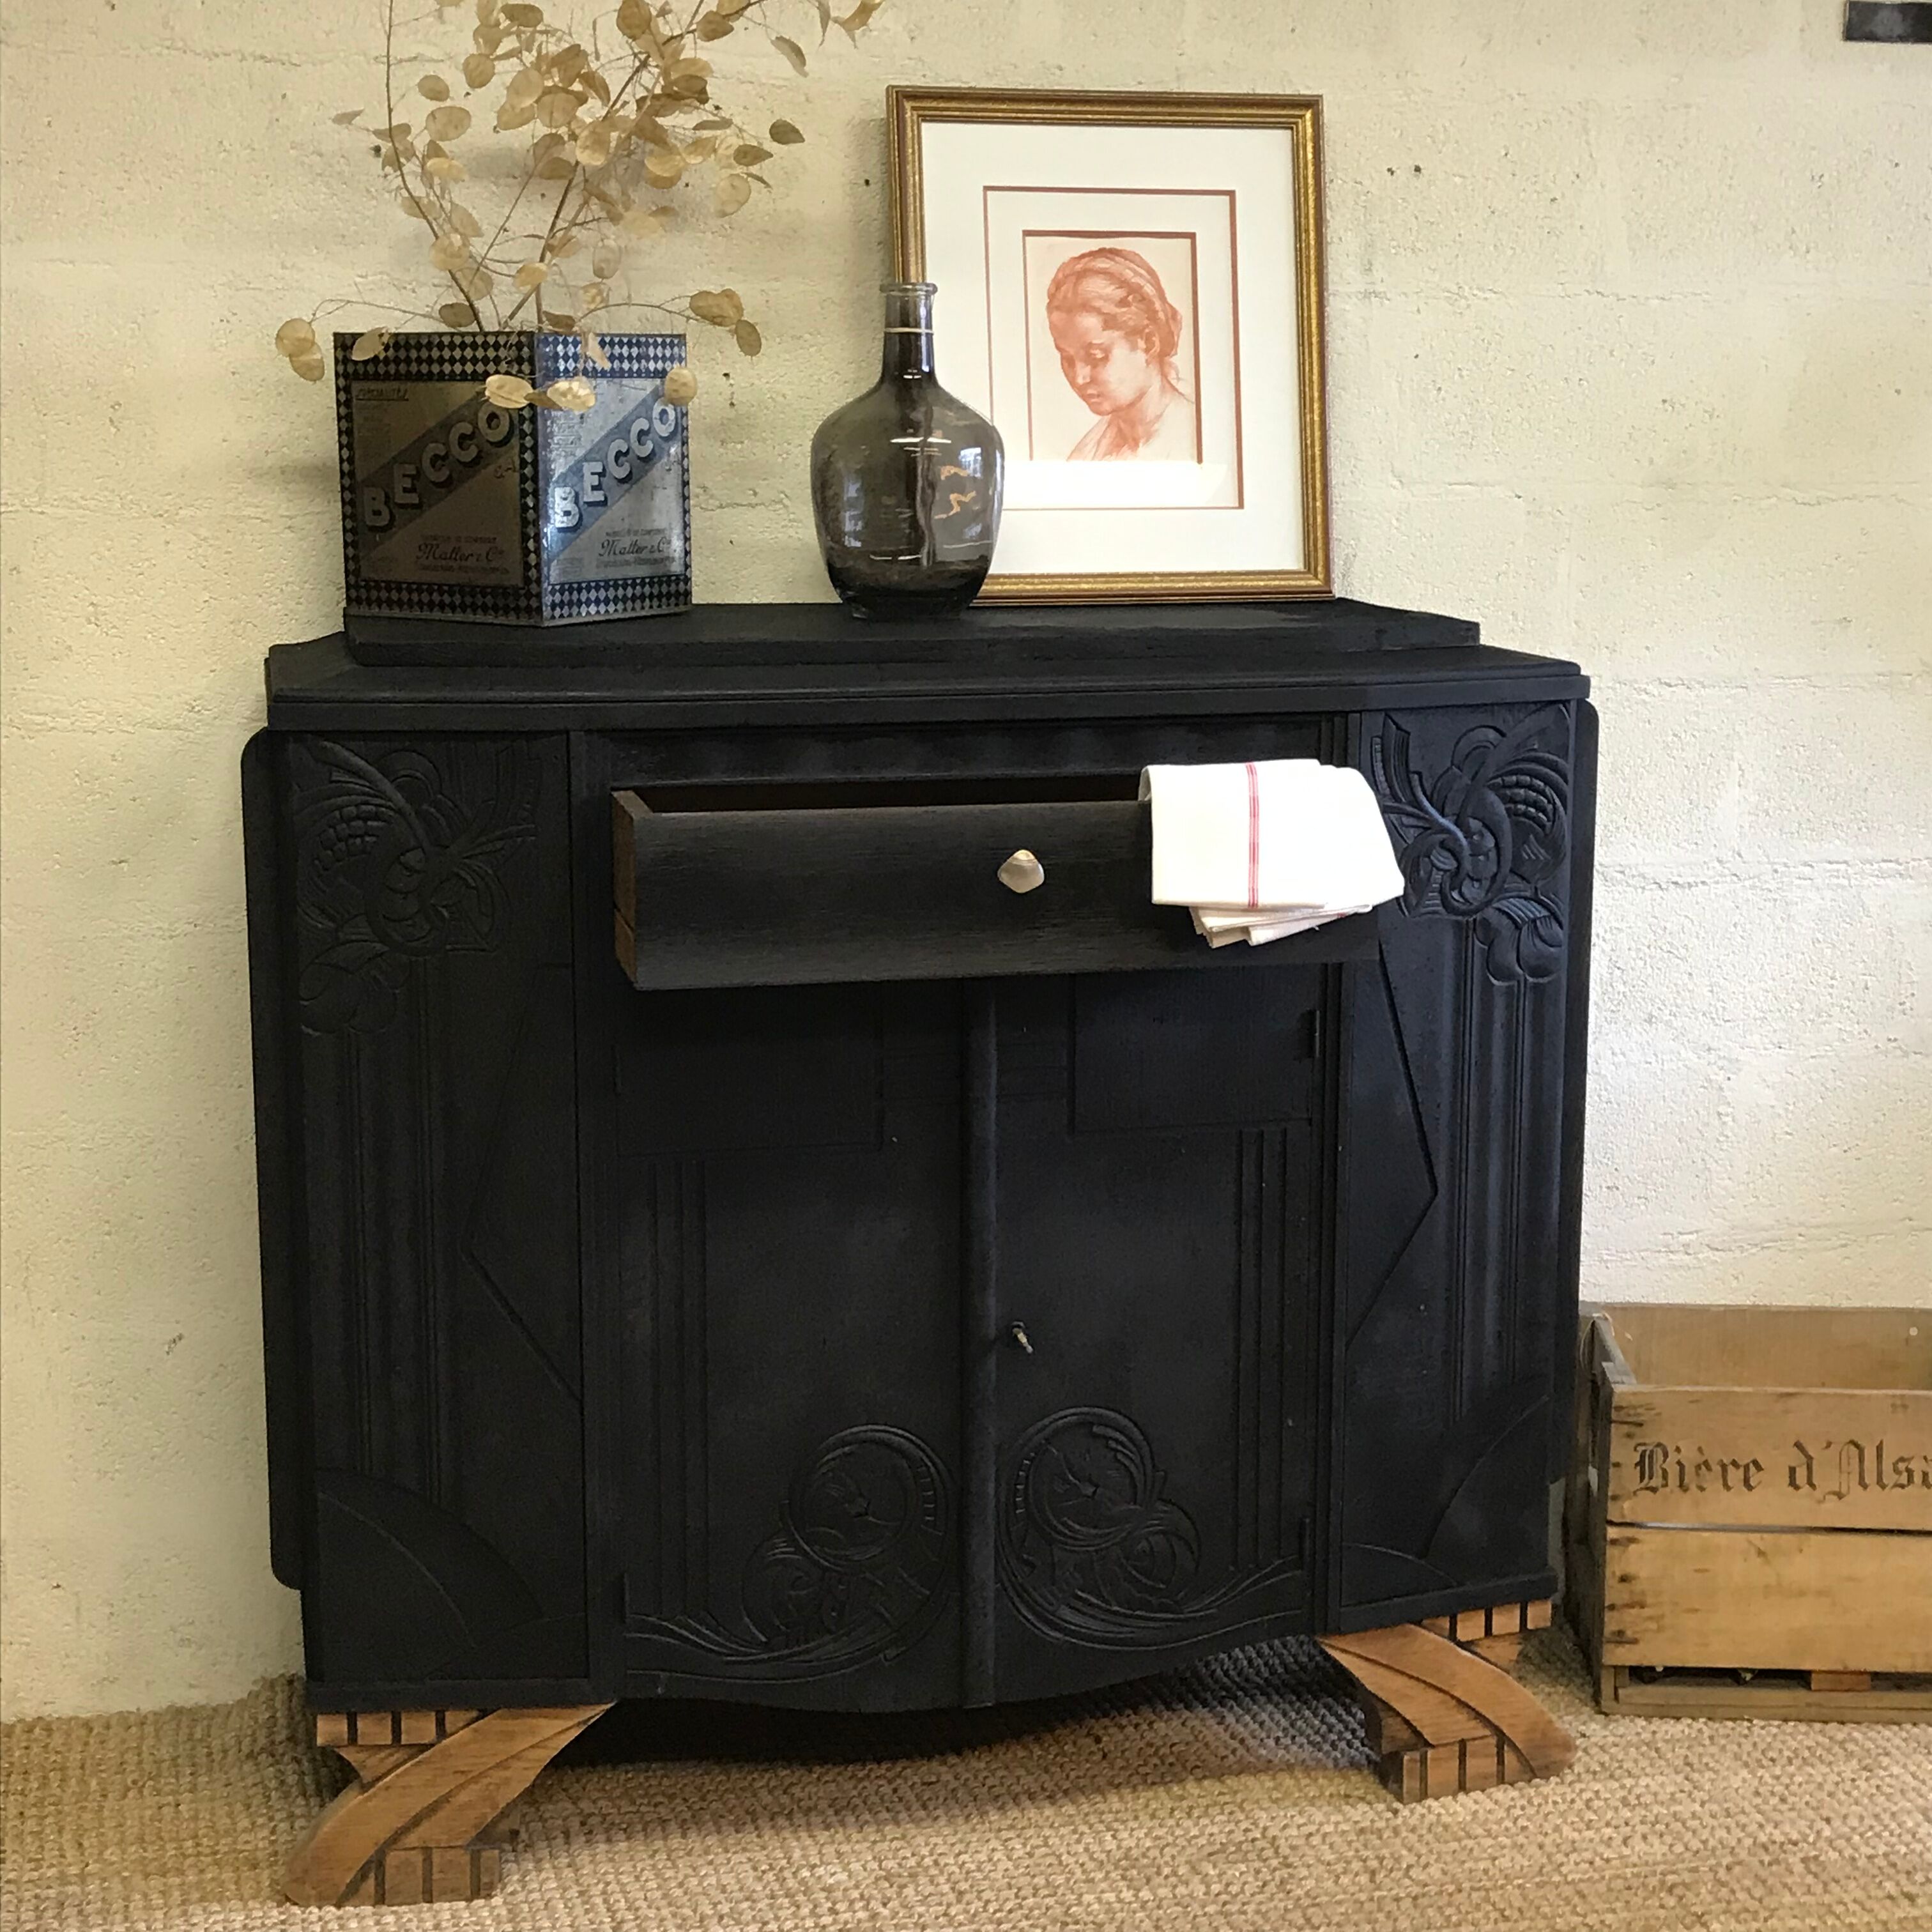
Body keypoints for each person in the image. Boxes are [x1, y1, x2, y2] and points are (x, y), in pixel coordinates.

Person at [1044, 245, 1199, 462]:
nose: (1079, 378)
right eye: (1067, 358)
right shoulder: (1085, 458)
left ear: (1149, 342)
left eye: (1096, 356)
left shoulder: (1194, 438)